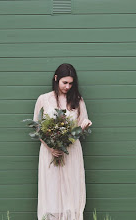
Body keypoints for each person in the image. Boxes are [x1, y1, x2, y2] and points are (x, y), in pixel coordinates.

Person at [33, 63, 92, 220]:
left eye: (71, 83)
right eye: (64, 82)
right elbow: (38, 128)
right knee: (51, 188)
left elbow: (79, 127)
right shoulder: (43, 99)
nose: (67, 86)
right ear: (56, 79)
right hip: (50, 152)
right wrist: (51, 148)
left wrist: (84, 127)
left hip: (71, 151)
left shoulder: (77, 100)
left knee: (71, 188)